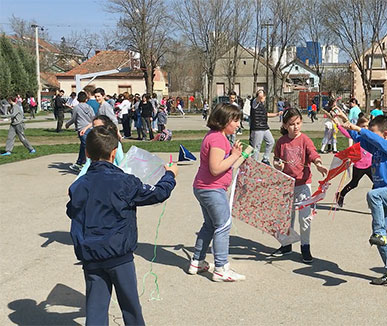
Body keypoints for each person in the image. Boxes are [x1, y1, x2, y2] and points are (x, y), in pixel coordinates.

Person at [67, 126, 177, 325]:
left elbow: (71, 210)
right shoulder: (124, 182)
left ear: (87, 153)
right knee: (130, 306)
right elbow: (157, 193)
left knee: (96, 308)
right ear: (114, 153)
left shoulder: (78, 185)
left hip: (91, 254)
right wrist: (170, 175)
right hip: (118, 255)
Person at [341, 115, 387, 285]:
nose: (370, 135)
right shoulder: (376, 149)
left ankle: (379, 232)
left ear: (385, 134)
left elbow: (366, 136)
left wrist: (359, 129)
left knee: (373, 194)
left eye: (373, 132)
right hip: (385, 194)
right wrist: (346, 123)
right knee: (379, 239)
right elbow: (359, 138)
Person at [188, 103, 245, 281]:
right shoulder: (218, 139)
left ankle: (197, 261)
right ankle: (220, 268)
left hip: (205, 188)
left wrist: (240, 157)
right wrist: (235, 155)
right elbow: (215, 168)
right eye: (235, 120)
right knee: (223, 225)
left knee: (210, 225)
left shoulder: (216, 137)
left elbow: (226, 167)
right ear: (224, 120)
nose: (238, 124)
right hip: (211, 189)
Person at [272, 108, 328, 263]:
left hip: (303, 185)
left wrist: (318, 164)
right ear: (284, 125)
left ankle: (305, 246)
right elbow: (276, 159)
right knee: (286, 218)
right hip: (287, 185)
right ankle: (286, 245)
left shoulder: (305, 140)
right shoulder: (281, 142)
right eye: (291, 124)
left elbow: (313, 154)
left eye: (298, 123)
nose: (295, 127)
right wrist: (277, 165)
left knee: (305, 219)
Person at [335, 116, 373, 207]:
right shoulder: (357, 136)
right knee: (354, 183)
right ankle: (340, 195)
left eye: (367, 126)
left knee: (377, 183)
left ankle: (374, 200)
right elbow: (346, 133)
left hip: (370, 165)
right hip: (359, 165)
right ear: (358, 126)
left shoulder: (370, 135)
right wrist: (338, 125)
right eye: (363, 126)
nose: (365, 128)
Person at [65, 92, 95, 171]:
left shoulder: (76, 108)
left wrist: (68, 124)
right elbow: (93, 118)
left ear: (78, 99)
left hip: (81, 128)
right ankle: (79, 162)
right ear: (86, 99)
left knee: (85, 146)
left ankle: (85, 163)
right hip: (90, 128)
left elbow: (74, 118)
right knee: (83, 145)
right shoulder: (89, 107)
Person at [250, 89, 281, 164]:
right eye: (264, 97)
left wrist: (277, 114)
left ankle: (265, 159)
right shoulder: (255, 103)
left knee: (271, 141)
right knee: (256, 147)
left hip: (265, 127)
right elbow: (258, 97)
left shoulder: (262, 105)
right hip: (257, 128)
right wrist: (260, 93)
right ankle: (254, 162)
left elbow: (266, 114)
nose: (264, 99)